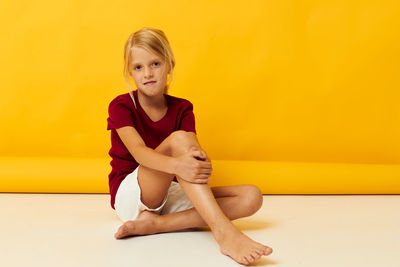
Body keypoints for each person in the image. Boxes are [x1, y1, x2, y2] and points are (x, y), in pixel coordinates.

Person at [106, 27, 273, 265]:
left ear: (169, 65)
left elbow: (192, 151)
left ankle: (157, 224)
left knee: (251, 197)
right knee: (178, 139)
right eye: (138, 67)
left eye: (155, 64)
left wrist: (197, 163)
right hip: (131, 193)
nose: (147, 73)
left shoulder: (183, 108)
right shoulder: (121, 105)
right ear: (130, 72)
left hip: (168, 188)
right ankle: (224, 232)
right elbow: (139, 152)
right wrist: (178, 163)